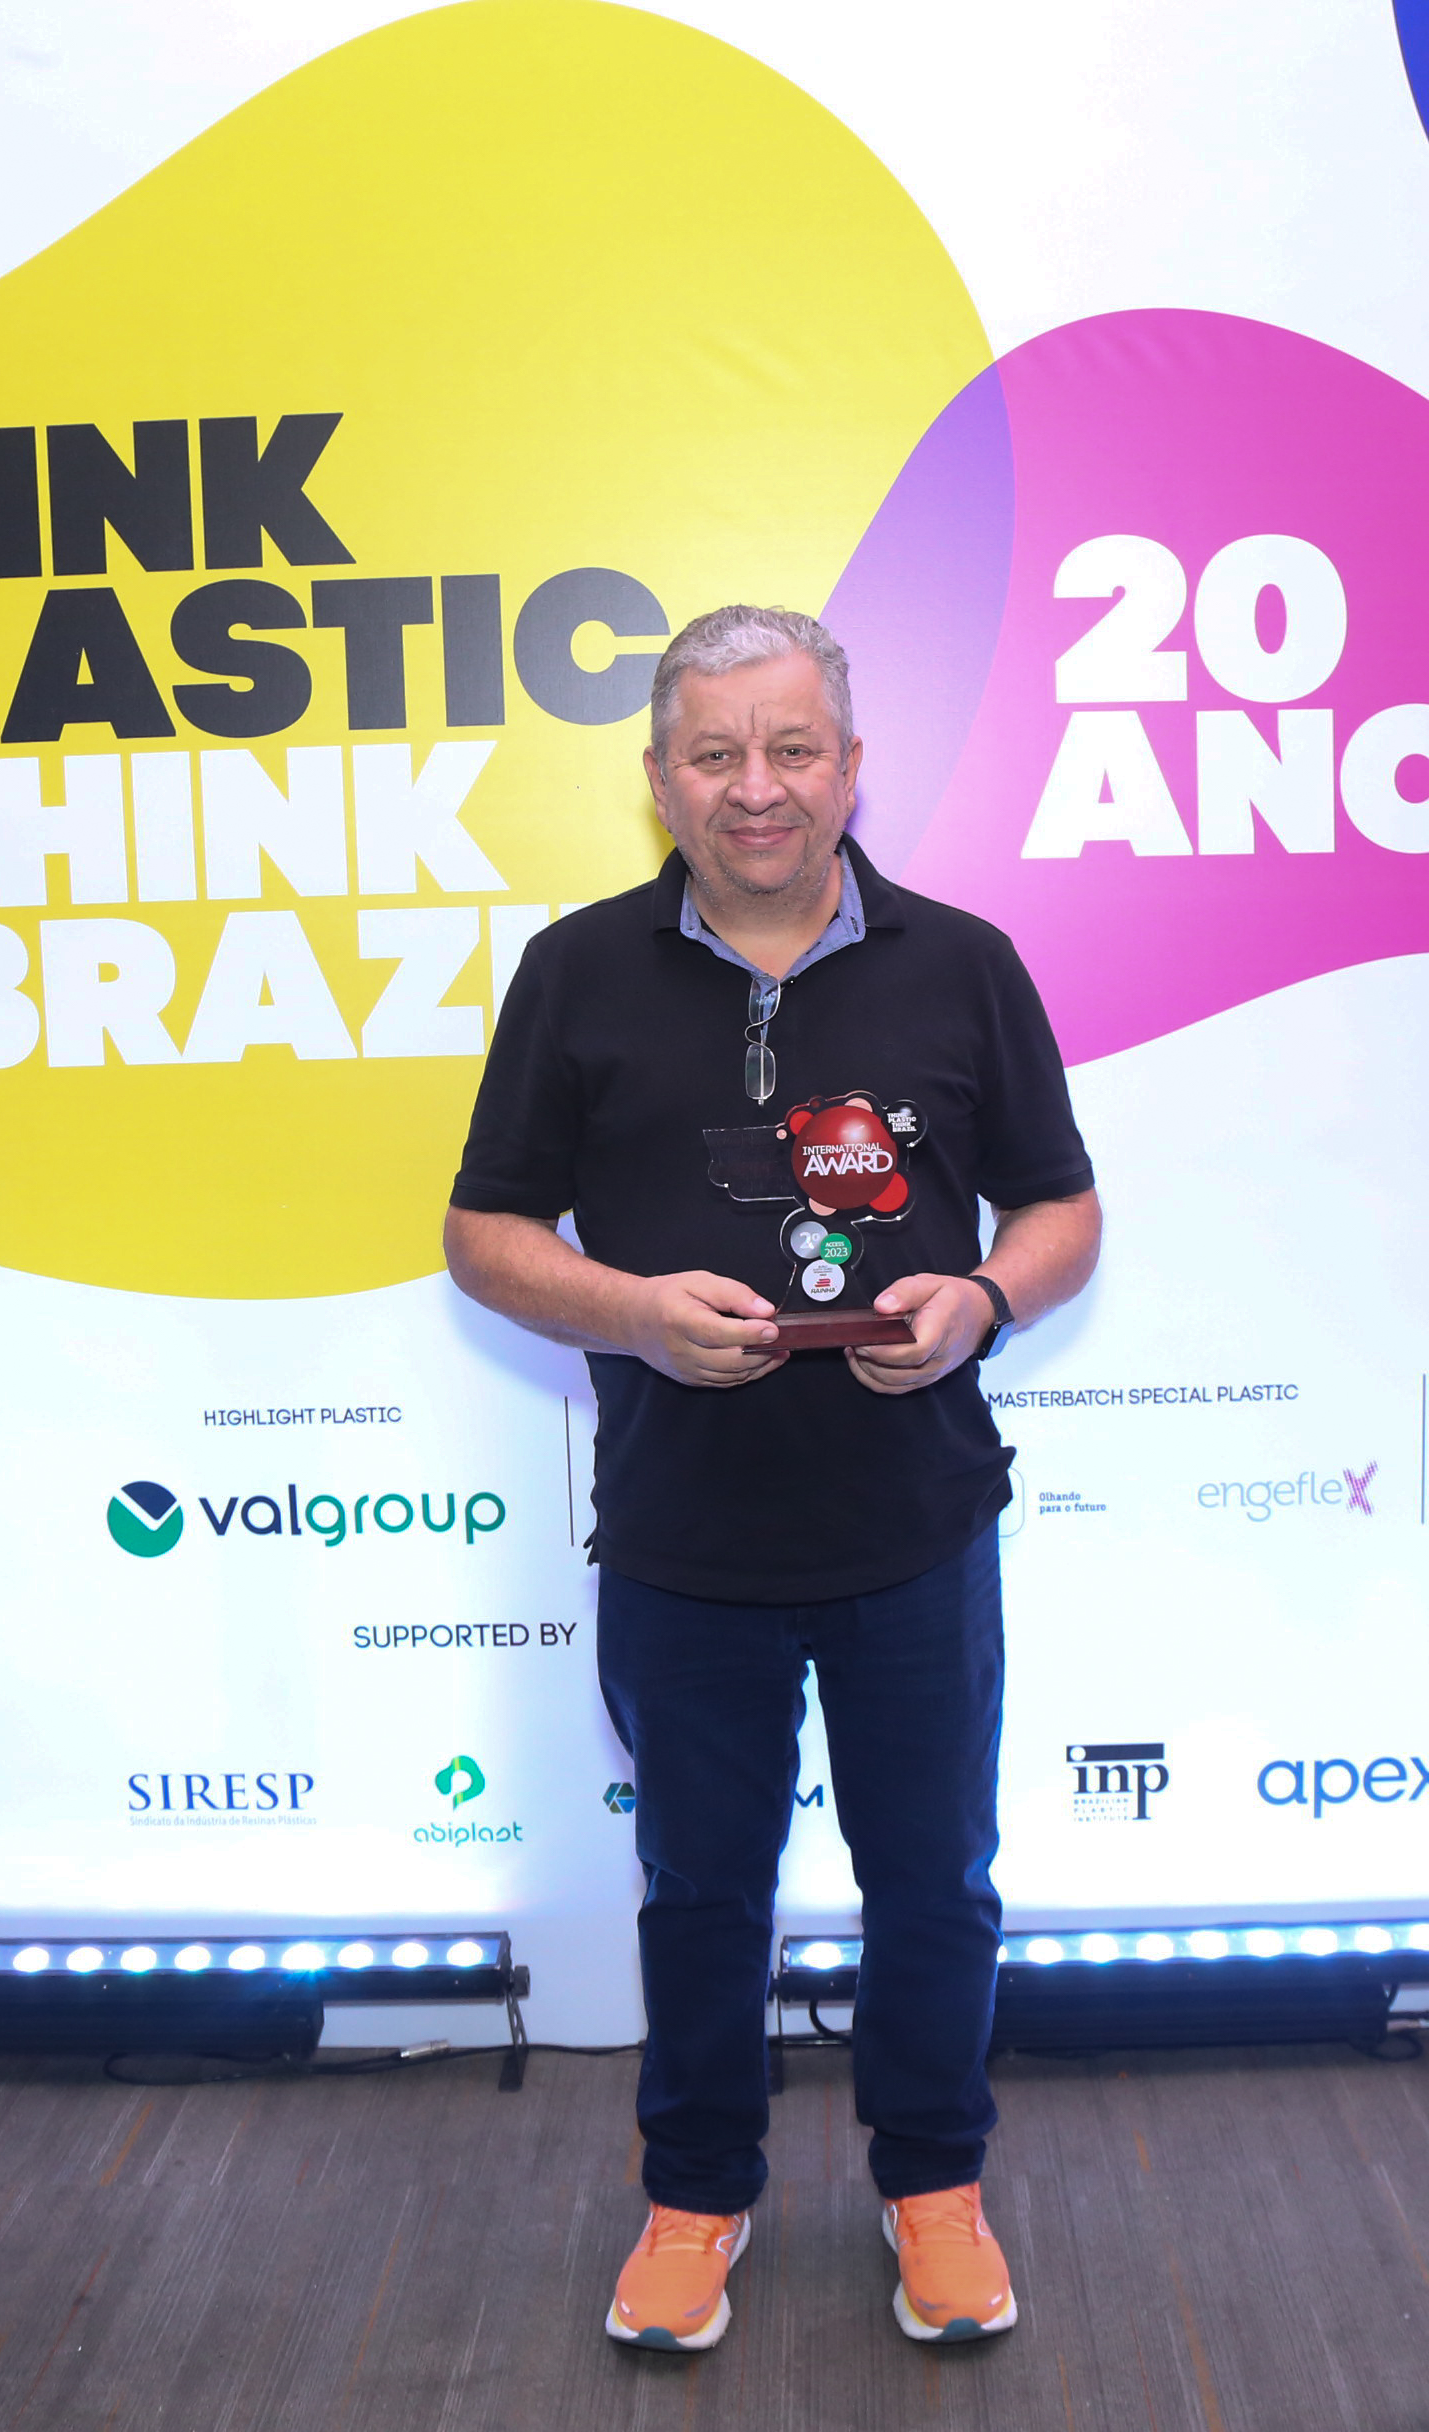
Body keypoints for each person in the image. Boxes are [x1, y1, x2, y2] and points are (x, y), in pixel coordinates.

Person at [444, 604, 1101, 2352]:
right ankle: (694, 2198)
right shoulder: (575, 972)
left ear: (851, 767)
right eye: (717, 754)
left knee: (935, 1886)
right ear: (660, 780)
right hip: (683, 1539)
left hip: (915, 1529)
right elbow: (484, 1236)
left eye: (792, 748)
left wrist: (981, 1301)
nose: (758, 786)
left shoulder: (967, 964)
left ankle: (935, 2187)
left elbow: (1062, 1209)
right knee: (700, 1894)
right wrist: (631, 1314)